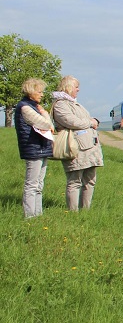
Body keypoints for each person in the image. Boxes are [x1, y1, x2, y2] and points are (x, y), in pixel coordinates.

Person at [50, 75, 104, 211]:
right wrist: (90, 123)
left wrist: (93, 121)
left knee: (90, 181)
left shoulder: (74, 103)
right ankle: (73, 213)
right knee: (75, 181)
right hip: (75, 147)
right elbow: (71, 121)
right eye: (76, 87)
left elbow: (82, 119)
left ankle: (85, 210)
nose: (78, 90)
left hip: (89, 147)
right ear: (68, 87)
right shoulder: (60, 104)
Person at [14, 78, 53, 218]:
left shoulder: (33, 107)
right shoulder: (25, 107)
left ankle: (38, 215)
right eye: (39, 91)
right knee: (32, 184)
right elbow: (45, 124)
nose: (42, 95)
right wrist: (45, 114)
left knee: (39, 184)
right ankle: (30, 216)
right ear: (31, 92)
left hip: (41, 148)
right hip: (33, 148)